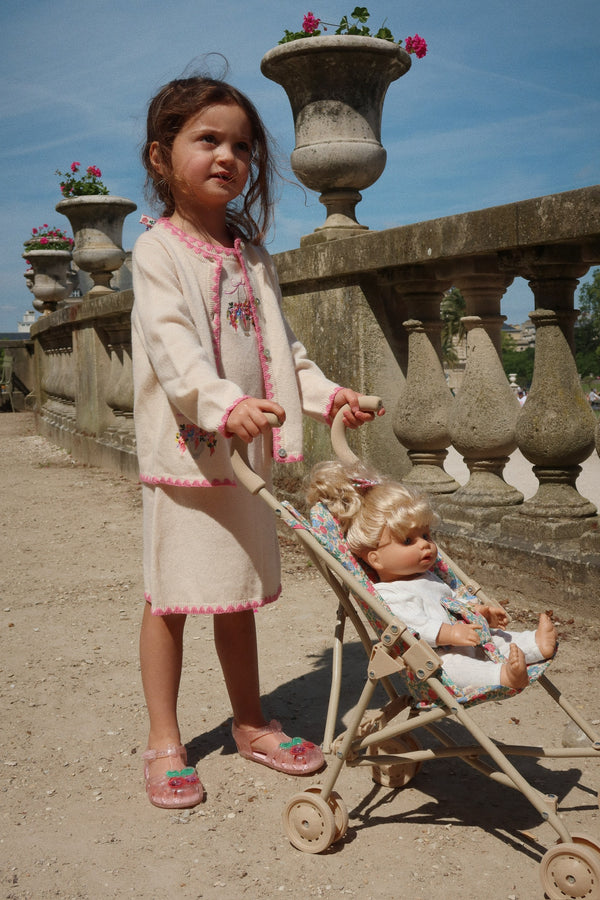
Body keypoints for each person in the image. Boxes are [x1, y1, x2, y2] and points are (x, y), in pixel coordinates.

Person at [132, 75, 383, 810]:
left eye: (241, 144)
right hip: (188, 456)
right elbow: (174, 351)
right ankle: (163, 739)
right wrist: (222, 405)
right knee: (170, 598)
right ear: (160, 155)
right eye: (207, 139)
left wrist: (326, 393)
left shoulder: (249, 249)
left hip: (246, 463)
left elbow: (281, 350)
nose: (228, 155)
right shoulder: (157, 253)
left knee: (237, 595)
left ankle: (249, 722)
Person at [307, 460, 557, 693]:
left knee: (500, 639)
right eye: (408, 541)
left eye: (426, 536)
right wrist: (448, 634)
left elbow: (453, 603)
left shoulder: (430, 577)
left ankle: (535, 644)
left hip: (470, 640)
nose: (425, 546)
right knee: (454, 667)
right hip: (436, 659)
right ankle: (503, 676)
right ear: (376, 559)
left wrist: (479, 612)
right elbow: (412, 626)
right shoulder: (388, 594)